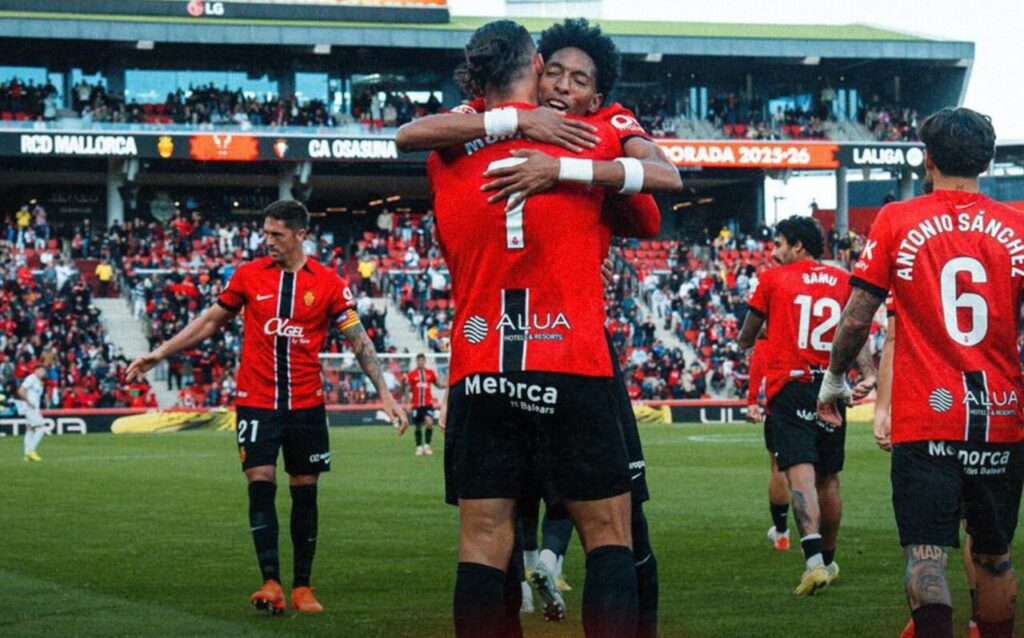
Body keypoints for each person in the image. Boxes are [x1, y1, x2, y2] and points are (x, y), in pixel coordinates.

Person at [401, 18, 678, 636]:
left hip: (483, 366)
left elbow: (408, 135)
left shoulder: (454, 141)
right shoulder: (593, 135)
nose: (558, 82)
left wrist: (533, 142)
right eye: (551, 69)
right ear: (533, 66)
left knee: (482, 543)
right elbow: (658, 199)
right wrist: (572, 165)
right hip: (572, 359)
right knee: (609, 533)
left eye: (577, 78)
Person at [126, 199, 408, 616]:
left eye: (277, 234)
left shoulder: (328, 283)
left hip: (307, 404)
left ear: (300, 235)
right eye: (266, 232)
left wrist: (385, 394)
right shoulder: (248, 275)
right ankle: (271, 581)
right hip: (257, 402)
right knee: (259, 479)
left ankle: (303, 586)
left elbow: (358, 340)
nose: (268, 241)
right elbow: (209, 321)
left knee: (304, 488)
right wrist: (159, 354)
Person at [819, 107, 1020, 638]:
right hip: (1000, 416)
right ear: (989, 160)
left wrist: (834, 377)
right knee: (996, 556)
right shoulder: (1018, 228)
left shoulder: (896, 220)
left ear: (926, 159)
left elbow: (859, 317)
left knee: (927, 555)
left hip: (927, 417)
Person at [737, 216, 875, 595]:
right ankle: (829, 561)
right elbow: (855, 327)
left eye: (780, 243)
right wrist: (868, 371)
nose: (775, 250)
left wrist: (768, 328)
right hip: (830, 387)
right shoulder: (842, 280)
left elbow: (746, 337)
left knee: (800, 472)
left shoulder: (772, 279)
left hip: (791, 386)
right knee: (829, 478)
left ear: (798, 246)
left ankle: (813, 562)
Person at [746, 332, 791, 552]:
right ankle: (814, 540)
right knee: (823, 476)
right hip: (815, 395)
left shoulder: (772, 330)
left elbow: (759, 361)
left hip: (782, 402)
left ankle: (782, 534)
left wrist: (752, 400)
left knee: (779, 468)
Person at [405, 353, 445, 456]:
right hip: (416, 404)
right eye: (419, 361)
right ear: (416, 362)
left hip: (427, 403)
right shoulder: (412, 374)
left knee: (430, 423)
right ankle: (419, 446)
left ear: (425, 361)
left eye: (422, 360)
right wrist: (407, 401)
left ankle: (427, 446)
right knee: (418, 426)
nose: (421, 362)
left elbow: (438, 384)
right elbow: (407, 389)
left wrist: (446, 385)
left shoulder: (430, 373)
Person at [18, 364, 47, 462]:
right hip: (30, 408)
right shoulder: (31, 378)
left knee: (30, 429)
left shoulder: (39, 382)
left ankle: (27, 454)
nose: (44, 373)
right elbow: (21, 390)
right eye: (42, 370)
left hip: (32, 408)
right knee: (41, 428)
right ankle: (31, 450)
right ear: (36, 370)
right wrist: (29, 402)